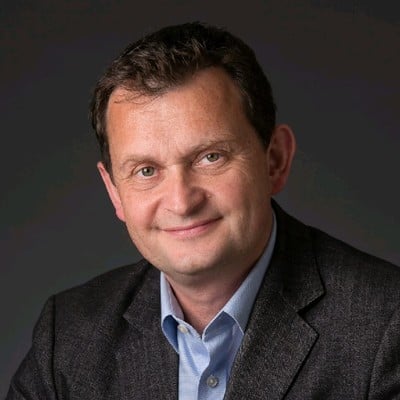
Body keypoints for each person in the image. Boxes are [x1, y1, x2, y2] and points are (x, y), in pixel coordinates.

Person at [7, 22, 400, 400]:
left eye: (211, 157)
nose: (182, 202)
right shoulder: (69, 337)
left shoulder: (385, 326)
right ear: (114, 192)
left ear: (275, 161)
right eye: (146, 171)